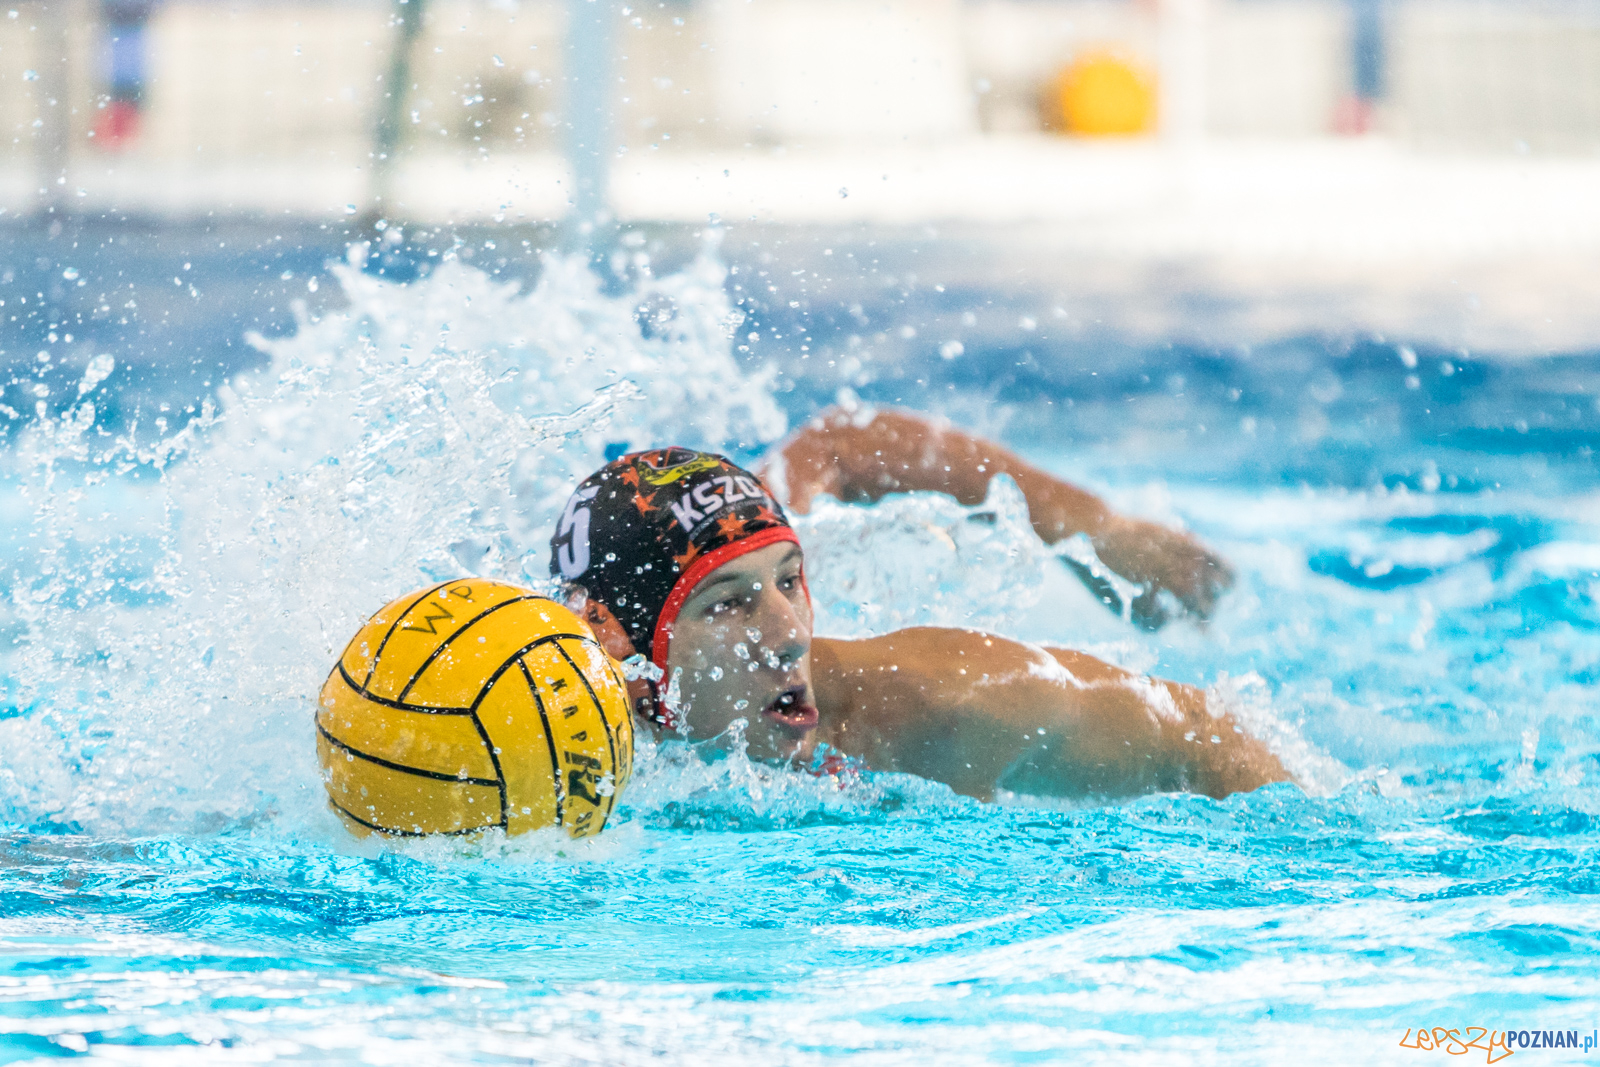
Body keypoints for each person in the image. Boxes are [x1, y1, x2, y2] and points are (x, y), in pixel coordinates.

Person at [549, 407, 1290, 801]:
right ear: (615, 637)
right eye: (729, 605)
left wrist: (1096, 529)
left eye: (790, 580)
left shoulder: (944, 700)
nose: (787, 637)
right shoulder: (523, 698)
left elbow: (1202, 731)